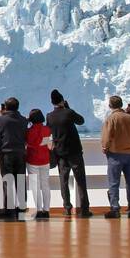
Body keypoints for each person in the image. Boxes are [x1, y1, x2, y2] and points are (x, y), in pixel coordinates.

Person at [47, 90, 90, 218]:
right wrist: (68, 108)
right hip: (75, 152)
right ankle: (84, 209)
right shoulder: (69, 112)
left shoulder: (49, 116)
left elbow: (49, 131)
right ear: (62, 100)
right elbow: (81, 121)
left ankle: (67, 208)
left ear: (52, 103)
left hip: (60, 153)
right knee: (81, 180)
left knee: (63, 181)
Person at [100, 95, 130, 219]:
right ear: (121, 104)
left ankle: (115, 208)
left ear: (110, 105)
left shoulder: (111, 119)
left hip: (115, 154)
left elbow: (107, 136)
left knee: (114, 182)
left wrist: (105, 147)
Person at [0, 97, 28, 221]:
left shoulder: (1, 119)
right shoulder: (23, 120)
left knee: (8, 182)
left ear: (5, 107)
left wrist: (1, 115)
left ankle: (9, 209)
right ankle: (21, 209)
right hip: (20, 153)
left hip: (6, 154)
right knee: (20, 181)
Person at [25, 109, 52, 219]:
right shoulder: (47, 130)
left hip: (32, 160)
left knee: (35, 186)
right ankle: (47, 210)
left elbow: (27, 143)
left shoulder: (28, 131)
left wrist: (27, 121)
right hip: (45, 160)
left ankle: (39, 210)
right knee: (45, 185)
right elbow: (49, 144)